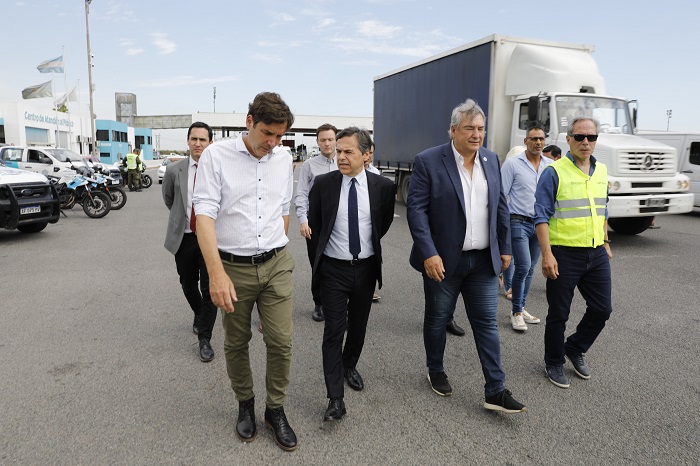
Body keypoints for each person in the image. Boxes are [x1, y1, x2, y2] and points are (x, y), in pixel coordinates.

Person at [193, 92, 298, 451]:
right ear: (249, 121)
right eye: (267, 133)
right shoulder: (215, 156)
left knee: (281, 341)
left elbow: (283, 207)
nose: (272, 143)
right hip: (232, 267)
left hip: (276, 263)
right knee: (237, 342)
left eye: (279, 136)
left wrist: (275, 242)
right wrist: (216, 274)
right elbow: (203, 214)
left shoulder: (283, 158)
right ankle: (245, 405)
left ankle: (275, 409)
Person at [407, 98, 526, 413]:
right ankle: (435, 369)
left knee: (486, 323)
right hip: (444, 261)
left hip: (482, 261)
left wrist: (505, 248)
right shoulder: (428, 161)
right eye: (470, 128)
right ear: (453, 130)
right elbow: (417, 211)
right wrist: (428, 253)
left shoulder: (490, 159)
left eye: (481, 128)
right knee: (436, 318)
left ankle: (496, 390)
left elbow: (500, 206)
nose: (477, 134)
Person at [308, 127, 395, 422]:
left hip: (366, 268)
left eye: (348, 152)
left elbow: (381, 225)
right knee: (334, 330)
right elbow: (316, 224)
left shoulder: (383, 187)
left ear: (366, 155)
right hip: (333, 270)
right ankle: (335, 397)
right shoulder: (323, 184)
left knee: (358, 325)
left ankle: (349, 366)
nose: (341, 157)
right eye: (339, 151)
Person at [535, 116, 612, 389]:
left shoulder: (601, 171)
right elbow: (541, 216)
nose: (586, 142)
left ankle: (575, 347)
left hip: (596, 252)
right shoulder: (554, 172)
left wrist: (605, 241)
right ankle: (554, 361)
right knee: (559, 313)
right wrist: (547, 255)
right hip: (564, 253)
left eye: (591, 137)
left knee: (603, 309)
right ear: (568, 139)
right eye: (579, 137)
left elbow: (602, 207)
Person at [162, 122, 216, 362]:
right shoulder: (175, 170)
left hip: (210, 238)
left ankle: (204, 338)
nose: (198, 144)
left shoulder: (217, 170)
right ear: (188, 141)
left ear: (210, 143)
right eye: (194, 139)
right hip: (184, 237)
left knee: (210, 289)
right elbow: (169, 199)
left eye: (202, 140)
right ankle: (199, 313)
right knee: (187, 283)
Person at [500, 127, 552, 331]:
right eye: (533, 139)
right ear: (526, 141)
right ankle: (516, 313)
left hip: (540, 225)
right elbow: (502, 197)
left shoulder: (550, 166)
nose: (538, 142)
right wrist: (502, 227)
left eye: (541, 139)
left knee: (530, 269)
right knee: (522, 267)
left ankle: (521, 306)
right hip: (518, 222)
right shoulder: (512, 164)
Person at [294, 124, 338, 322]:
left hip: (340, 222)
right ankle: (319, 303)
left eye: (330, 139)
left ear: (336, 140)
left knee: (339, 263)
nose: (327, 143)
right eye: (323, 140)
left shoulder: (345, 161)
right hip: (316, 223)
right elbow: (302, 193)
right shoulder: (310, 165)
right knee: (318, 263)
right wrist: (303, 220)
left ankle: (337, 302)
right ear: (317, 142)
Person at [364, 141, 385, 304]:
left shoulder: (375, 172)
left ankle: (368, 291)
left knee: (371, 258)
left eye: (372, 153)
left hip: (370, 224)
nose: (369, 156)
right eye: (366, 152)